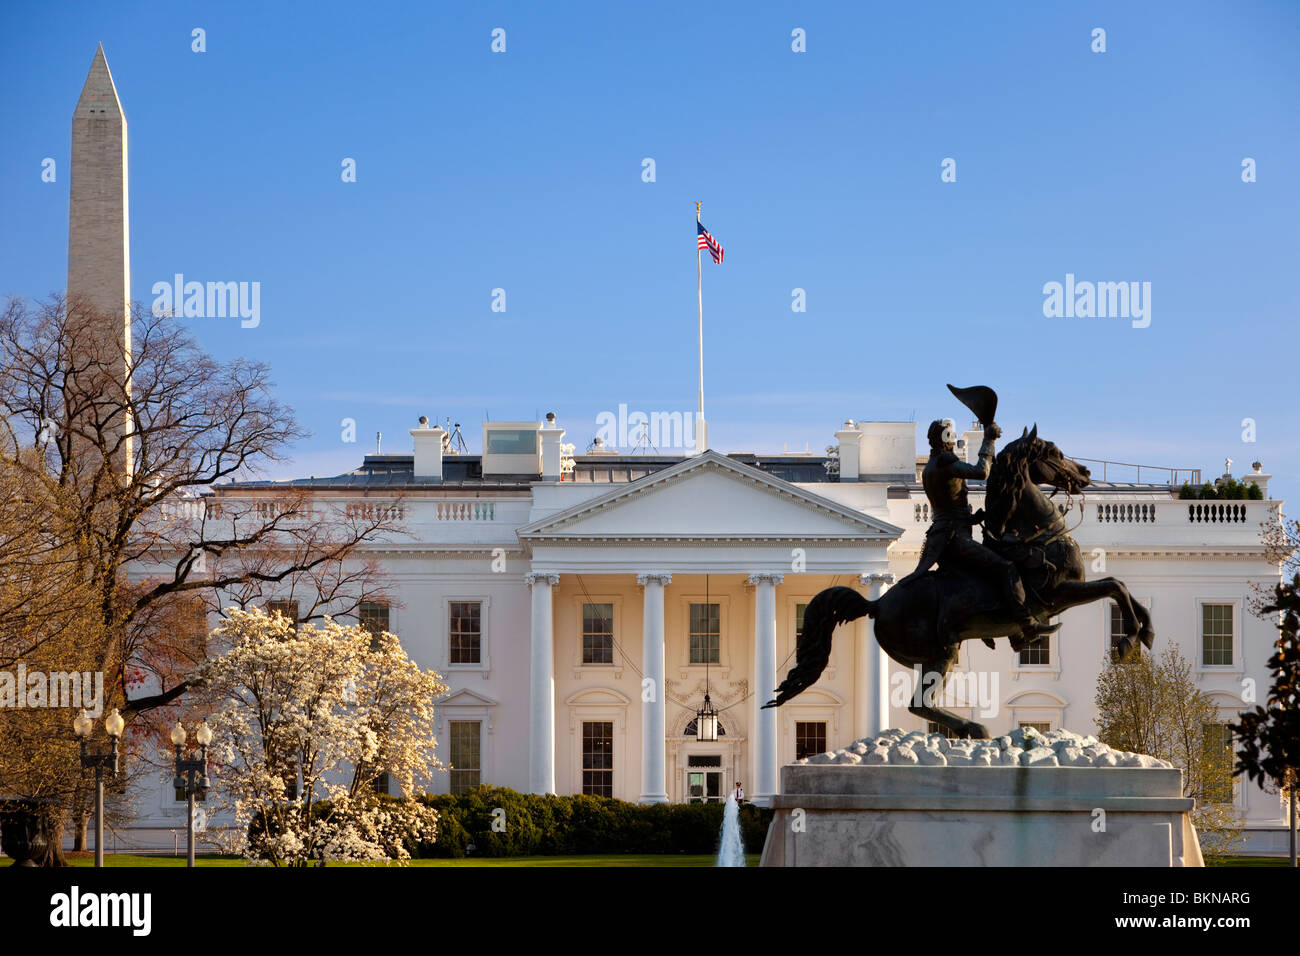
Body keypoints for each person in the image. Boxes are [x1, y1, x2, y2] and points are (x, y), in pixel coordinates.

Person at [897, 417, 1059, 648]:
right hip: (954, 538)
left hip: (945, 535)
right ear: (945, 438)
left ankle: (997, 624)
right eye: (951, 435)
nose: (953, 439)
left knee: (985, 570)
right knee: (1007, 568)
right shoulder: (945, 463)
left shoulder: (931, 467)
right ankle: (1026, 626)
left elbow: (945, 506)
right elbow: (981, 472)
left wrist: (972, 518)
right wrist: (988, 440)